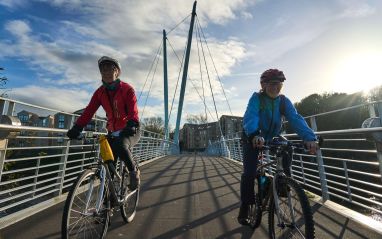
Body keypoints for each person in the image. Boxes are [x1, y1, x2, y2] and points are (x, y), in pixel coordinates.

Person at [237, 68, 317, 225]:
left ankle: (283, 181)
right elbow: (250, 116)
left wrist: (309, 138)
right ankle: (245, 206)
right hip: (252, 137)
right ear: (263, 85)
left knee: (287, 147)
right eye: (272, 84)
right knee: (249, 173)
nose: (276, 87)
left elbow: (295, 118)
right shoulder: (257, 99)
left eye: (279, 84)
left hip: (271, 136)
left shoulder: (283, 101)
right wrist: (254, 134)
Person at [67, 56, 140, 189]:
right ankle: (109, 201)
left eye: (110, 68)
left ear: (117, 72)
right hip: (112, 131)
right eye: (102, 69)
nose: (106, 71)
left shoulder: (127, 89)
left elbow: (133, 111)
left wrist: (132, 124)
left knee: (121, 146)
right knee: (108, 165)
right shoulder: (99, 93)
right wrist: (77, 127)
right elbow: (89, 112)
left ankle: (133, 172)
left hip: (130, 129)